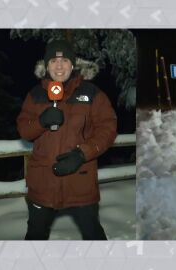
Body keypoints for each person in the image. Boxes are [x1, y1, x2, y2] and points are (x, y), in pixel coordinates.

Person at [17, 40, 117, 240]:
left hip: (80, 183)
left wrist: (82, 154)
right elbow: (24, 130)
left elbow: (108, 127)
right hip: (43, 185)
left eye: (65, 61)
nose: (59, 65)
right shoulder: (35, 95)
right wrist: (41, 122)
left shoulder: (91, 93)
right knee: (35, 237)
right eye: (54, 61)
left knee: (93, 235)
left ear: (73, 65)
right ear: (46, 66)